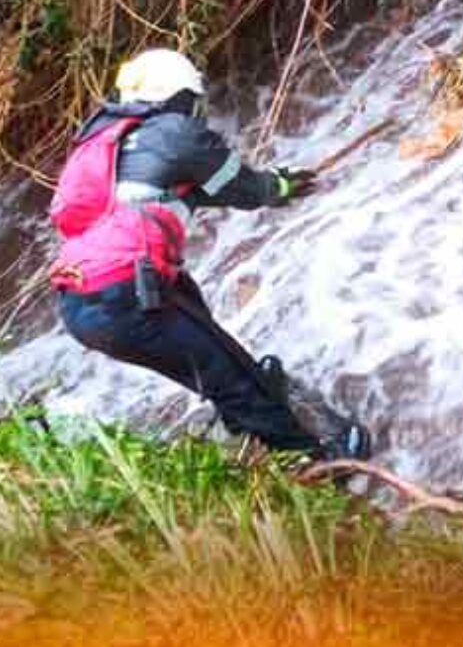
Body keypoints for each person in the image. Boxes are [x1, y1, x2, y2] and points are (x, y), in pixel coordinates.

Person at [47, 48, 371, 461]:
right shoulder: (175, 131)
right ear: (179, 96)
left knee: (204, 339)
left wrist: (267, 186)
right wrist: (277, 188)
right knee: (225, 375)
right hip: (128, 293)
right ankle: (316, 459)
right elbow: (243, 188)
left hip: (81, 304)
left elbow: (175, 194)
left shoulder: (107, 144)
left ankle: (248, 414)